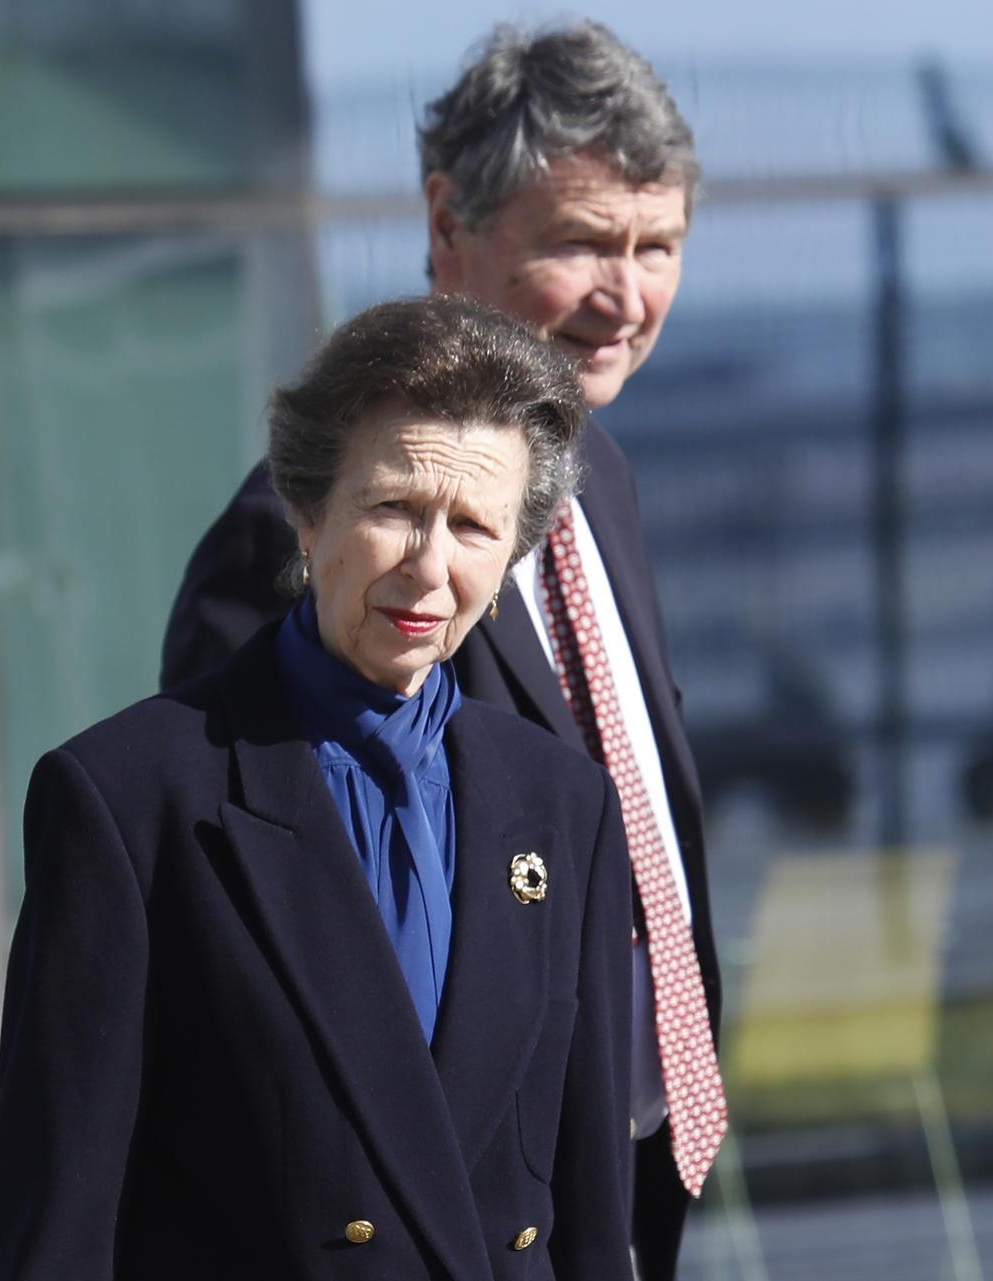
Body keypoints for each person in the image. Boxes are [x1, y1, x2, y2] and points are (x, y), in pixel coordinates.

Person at [157, 22, 725, 1278]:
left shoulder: (601, 483)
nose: (625, 297)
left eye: (659, 248)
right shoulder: (292, 544)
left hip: (623, 1151)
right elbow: (260, 955)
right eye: (581, 242)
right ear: (447, 224)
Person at [0, 296, 634, 1279]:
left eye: (474, 528)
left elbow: (588, 1221)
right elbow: (55, 1223)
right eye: (394, 508)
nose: (429, 568)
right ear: (308, 510)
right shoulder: (133, 800)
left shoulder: (562, 804)